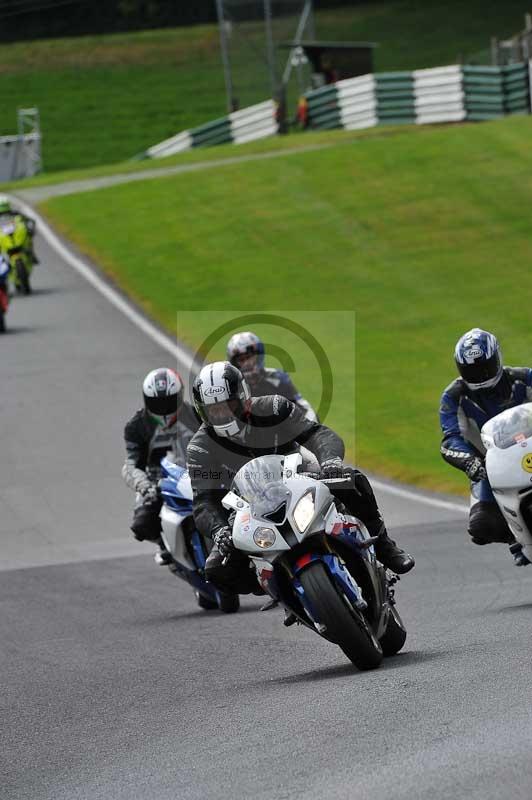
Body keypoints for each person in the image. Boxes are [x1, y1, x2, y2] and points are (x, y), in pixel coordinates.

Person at [187, 361, 414, 596]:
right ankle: (279, 590)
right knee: (215, 570)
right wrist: (218, 530)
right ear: (202, 411)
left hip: (299, 475)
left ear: (243, 397)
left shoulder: (273, 408)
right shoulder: (199, 448)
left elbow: (318, 434)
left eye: (228, 405)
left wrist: (331, 462)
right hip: (246, 506)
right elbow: (203, 501)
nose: (222, 414)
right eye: (214, 410)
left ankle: (383, 544)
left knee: (352, 479)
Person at [439, 328, 532, 566]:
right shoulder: (453, 397)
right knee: (481, 526)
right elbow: (450, 439)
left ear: (497, 359)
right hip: (488, 466)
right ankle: (515, 537)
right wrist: (470, 462)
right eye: (472, 370)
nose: (480, 375)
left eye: (485, 367)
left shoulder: (524, 377)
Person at [122, 367, 200, 554]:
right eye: (158, 403)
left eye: (169, 402)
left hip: (198, 476)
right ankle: (164, 544)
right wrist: (145, 486)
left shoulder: (196, 415)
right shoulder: (136, 426)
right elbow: (132, 464)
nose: (164, 409)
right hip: (159, 484)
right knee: (141, 525)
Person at [227, 331, 318, 421]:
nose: (247, 363)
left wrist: (314, 431)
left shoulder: (278, 379)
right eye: (241, 360)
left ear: (259, 356)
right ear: (234, 363)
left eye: (250, 357)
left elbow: (304, 409)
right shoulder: (230, 387)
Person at [0, 194, 38, 264]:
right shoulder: (14, 213)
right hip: (4, 238)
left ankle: (31, 253)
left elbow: (30, 221)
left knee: (28, 237)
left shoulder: (15, 214)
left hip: (16, 235)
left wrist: (30, 229)